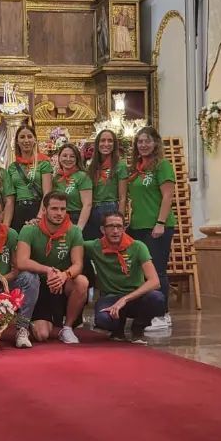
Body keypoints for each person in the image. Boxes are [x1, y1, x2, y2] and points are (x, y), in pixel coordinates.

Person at [120, 126, 175, 332]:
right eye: (140, 142)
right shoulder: (136, 168)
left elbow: (168, 196)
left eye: (147, 141)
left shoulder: (162, 166)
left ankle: (163, 313)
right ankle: (148, 311)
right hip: (137, 226)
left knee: (157, 270)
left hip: (157, 226)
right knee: (140, 272)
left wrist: (160, 223)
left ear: (155, 143)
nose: (143, 145)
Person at [15, 191, 88, 345]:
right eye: (54, 209)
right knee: (42, 335)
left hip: (61, 283)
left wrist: (64, 275)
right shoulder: (29, 229)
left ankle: (67, 328)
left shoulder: (74, 231)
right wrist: (48, 270)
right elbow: (21, 261)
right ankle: (28, 322)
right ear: (44, 210)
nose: (59, 213)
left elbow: (78, 264)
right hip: (38, 285)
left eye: (63, 209)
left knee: (81, 281)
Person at [85, 212, 165, 344]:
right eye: (110, 226)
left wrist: (125, 299)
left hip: (134, 297)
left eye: (119, 226)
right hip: (110, 297)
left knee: (157, 299)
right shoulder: (94, 246)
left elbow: (155, 282)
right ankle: (117, 329)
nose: (115, 231)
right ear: (102, 230)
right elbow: (74, 243)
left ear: (124, 228)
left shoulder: (138, 246)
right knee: (103, 320)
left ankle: (138, 327)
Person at [4, 123, 52, 231]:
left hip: (38, 208)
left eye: (29, 136)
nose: (26, 140)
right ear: (16, 141)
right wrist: (5, 227)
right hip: (19, 211)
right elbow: (10, 200)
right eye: (22, 137)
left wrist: (39, 217)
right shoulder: (12, 167)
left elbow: (47, 192)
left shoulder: (43, 163)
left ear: (35, 140)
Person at [85, 129, 127, 240]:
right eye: (103, 141)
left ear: (114, 145)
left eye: (110, 141)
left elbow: (123, 197)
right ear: (97, 144)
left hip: (111, 208)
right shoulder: (92, 166)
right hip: (93, 210)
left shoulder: (120, 165)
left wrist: (120, 219)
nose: (106, 144)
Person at [53, 143, 92, 231]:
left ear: (77, 159)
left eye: (72, 156)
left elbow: (87, 204)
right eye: (64, 156)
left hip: (76, 218)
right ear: (59, 158)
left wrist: (79, 228)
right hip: (59, 218)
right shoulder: (57, 178)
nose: (68, 159)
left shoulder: (82, 176)